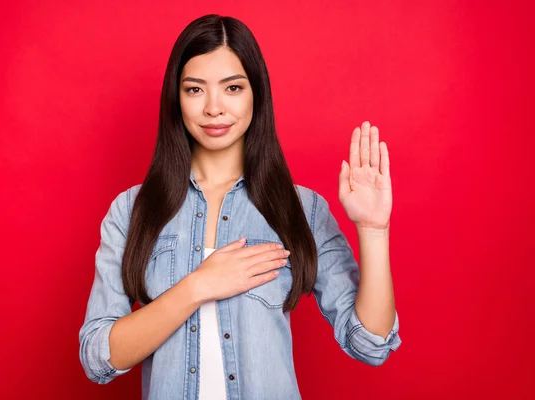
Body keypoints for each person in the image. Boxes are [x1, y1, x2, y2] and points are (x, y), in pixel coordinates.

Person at [79, 13, 401, 400]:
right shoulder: (130, 211)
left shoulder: (303, 209)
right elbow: (97, 357)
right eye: (195, 90)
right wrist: (198, 286)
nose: (214, 108)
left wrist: (373, 230)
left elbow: (370, 344)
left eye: (232, 88)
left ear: (256, 94)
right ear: (176, 99)